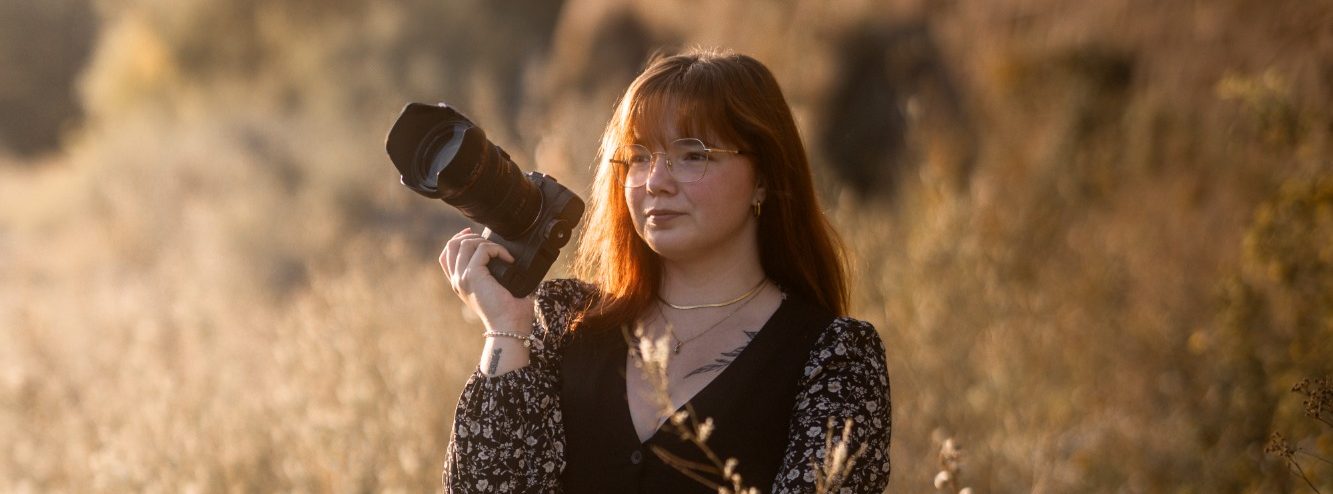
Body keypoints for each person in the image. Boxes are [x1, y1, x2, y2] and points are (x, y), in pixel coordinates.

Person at [439, 48, 891, 493]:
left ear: (763, 178)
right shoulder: (563, 322)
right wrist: (505, 329)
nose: (655, 182)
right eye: (638, 157)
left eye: (693, 155)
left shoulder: (835, 359)